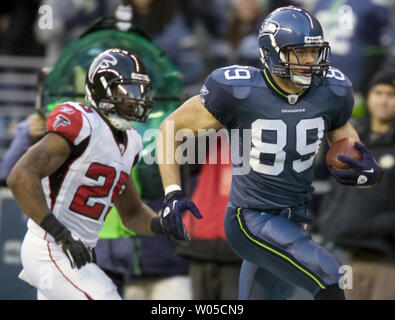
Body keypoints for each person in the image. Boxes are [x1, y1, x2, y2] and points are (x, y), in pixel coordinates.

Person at [155, 6, 383, 300]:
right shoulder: (238, 90)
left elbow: (346, 141)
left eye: (314, 52)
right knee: (330, 273)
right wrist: (173, 192)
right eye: (300, 52)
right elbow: (170, 129)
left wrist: (367, 169)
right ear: (271, 52)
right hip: (250, 218)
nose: (310, 61)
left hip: (294, 219)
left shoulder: (332, 91)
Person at [6, 48, 175, 300]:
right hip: (50, 247)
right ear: (101, 90)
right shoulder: (82, 122)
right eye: (127, 91)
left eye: (140, 91)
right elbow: (20, 176)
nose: (136, 99)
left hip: (76, 252)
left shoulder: (132, 141)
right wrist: (61, 234)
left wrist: (162, 224)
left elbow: (131, 212)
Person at [315, 67, 395, 300]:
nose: (383, 100)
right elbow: (335, 191)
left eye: (391, 94)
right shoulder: (351, 141)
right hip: (347, 255)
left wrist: (372, 226)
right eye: (378, 93)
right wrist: (327, 222)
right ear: (368, 97)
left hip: (387, 260)